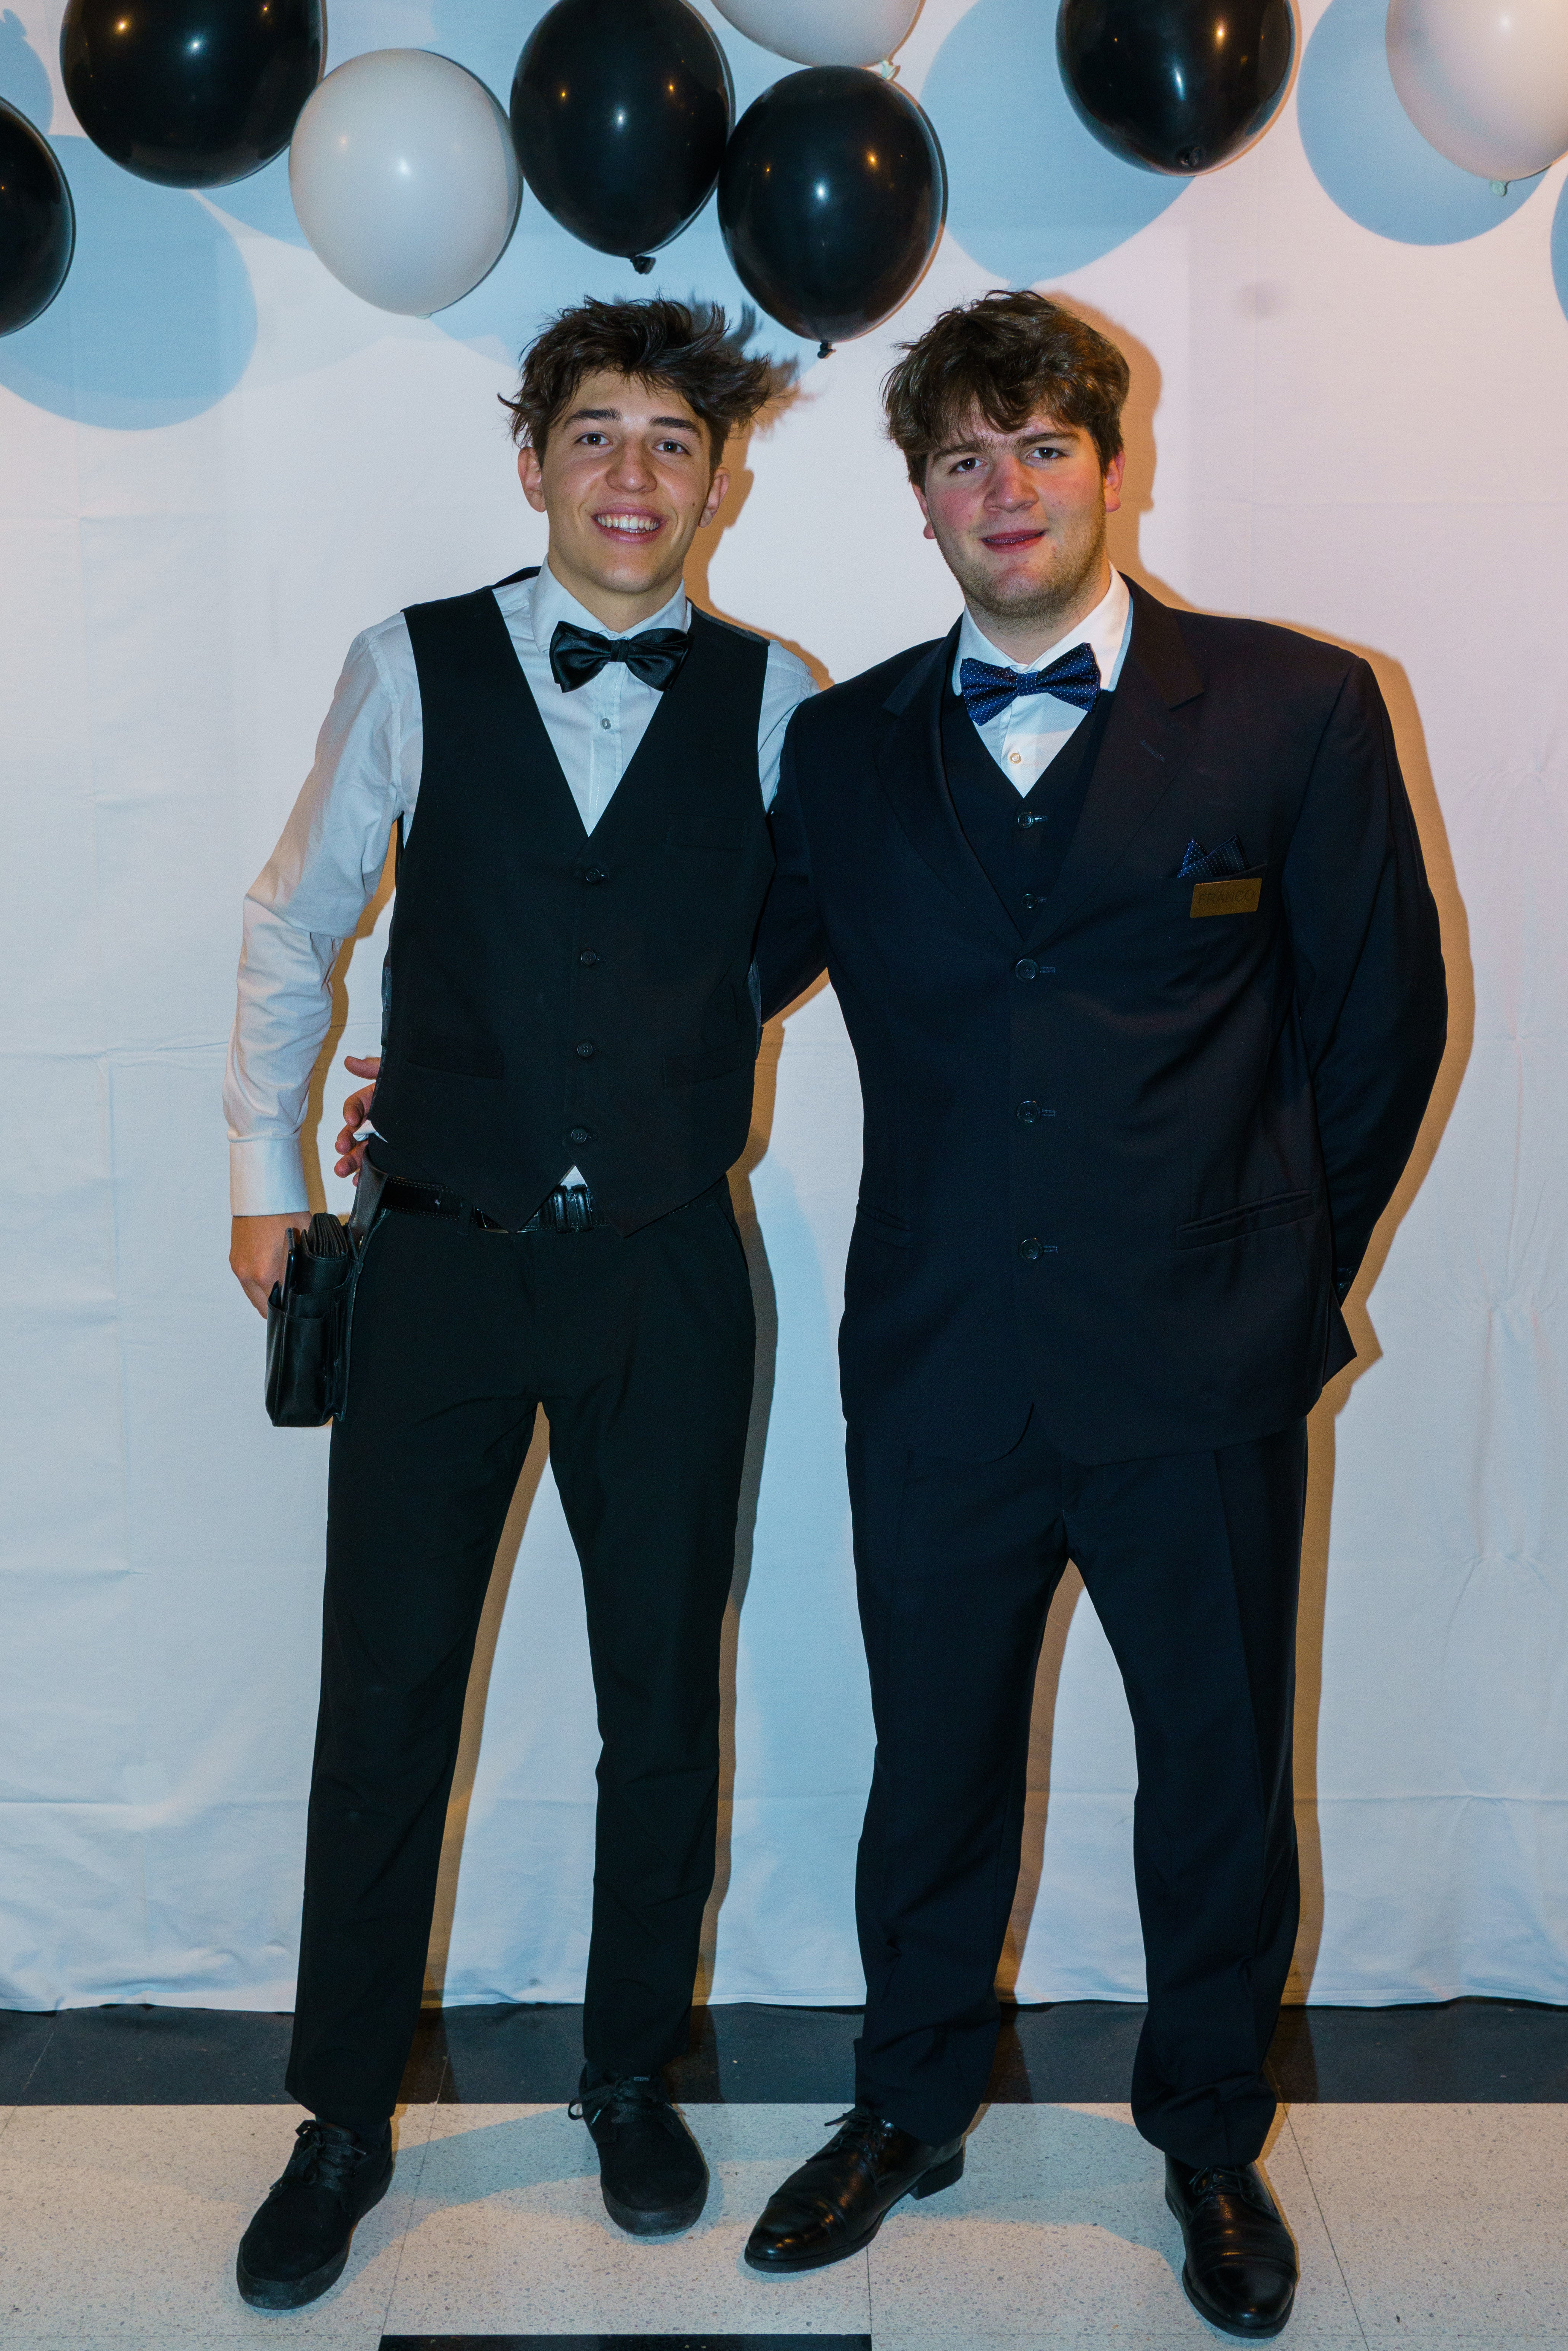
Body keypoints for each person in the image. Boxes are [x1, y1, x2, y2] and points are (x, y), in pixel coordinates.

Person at [743, 290, 1446, 2339]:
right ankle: (908, 2105)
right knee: (931, 1772)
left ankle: (1208, 2138)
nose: (1007, 490)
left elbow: (1382, 1026)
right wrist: (472, 1071)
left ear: (1110, 466)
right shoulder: (843, 746)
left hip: (1204, 1367)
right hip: (942, 1365)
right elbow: (705, 987)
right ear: (922, 503)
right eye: (964, 460)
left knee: (1215, 1776)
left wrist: (1280, 1275)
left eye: (1041, 447)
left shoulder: (1297, 708)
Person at [223, 296, 814, 2310]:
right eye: (596, 434)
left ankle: (629, 2074)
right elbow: (294, 923)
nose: (634, 474)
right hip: (440, 1265)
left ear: (719, 475)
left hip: (667, 1267)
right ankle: (338, 2117)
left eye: (672, 439)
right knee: (384, 1700)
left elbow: (798, 934)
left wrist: (630, 1055)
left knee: (662, 1698)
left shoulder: (778, 697)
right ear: (535, 460)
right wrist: (267, 1177)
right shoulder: (408, 662)